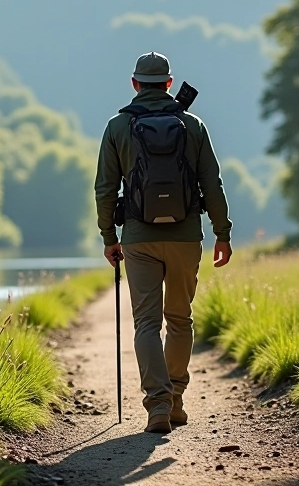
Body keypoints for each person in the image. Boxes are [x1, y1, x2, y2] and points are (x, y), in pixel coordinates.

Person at [94, 51, 233, 433]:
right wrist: (223, 232)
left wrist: (110, 237)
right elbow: (212, 184)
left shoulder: (117, 127)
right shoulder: (193, 124)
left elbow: (105, 189)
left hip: (138, 238)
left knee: (146, 324)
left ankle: (157, 405)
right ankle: (175, 399)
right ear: (169, 84)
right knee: (180, 320)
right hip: (187, 237)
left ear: (135, 84)